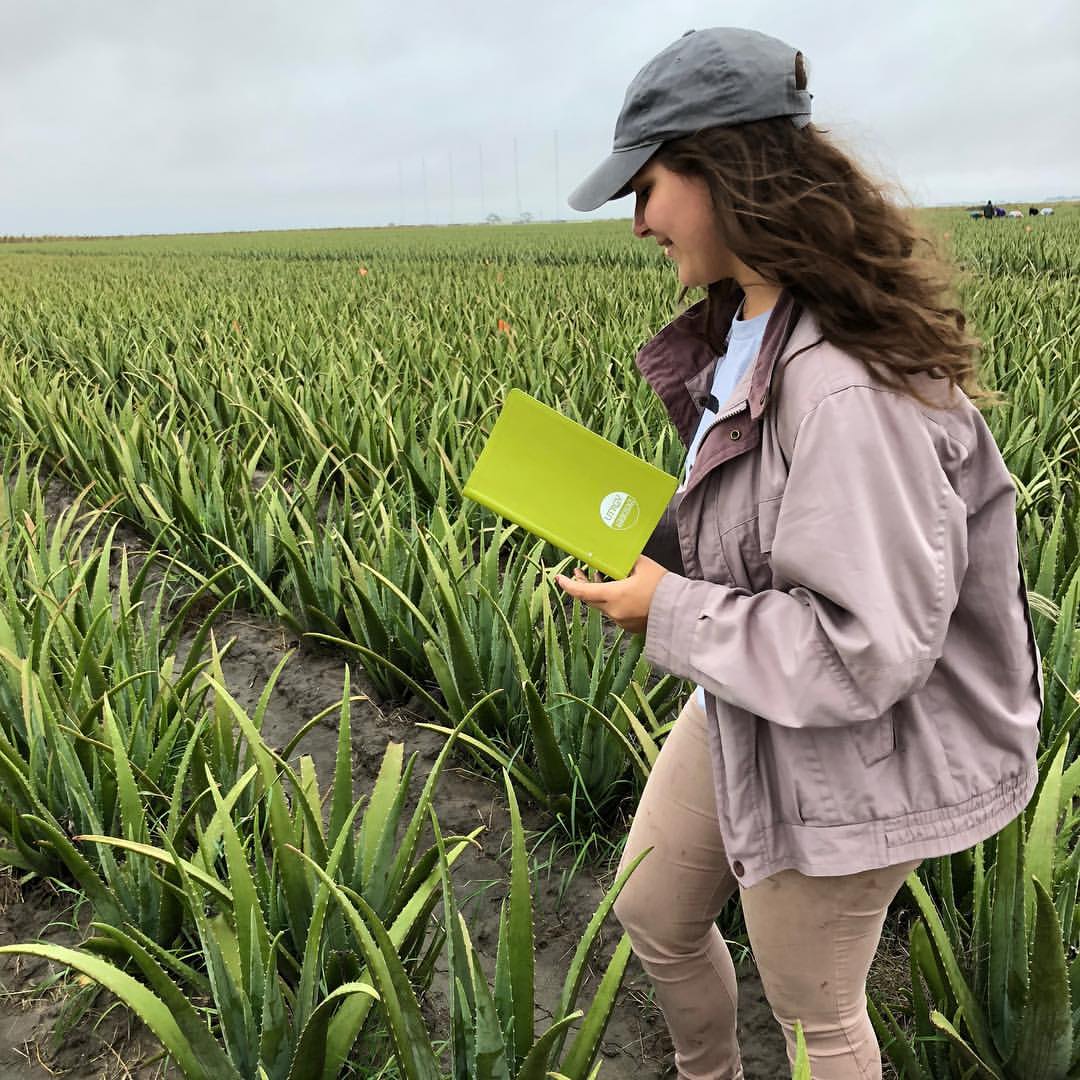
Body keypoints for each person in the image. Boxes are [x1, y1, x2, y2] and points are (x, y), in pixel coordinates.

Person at [555, 27, 1042, 1080]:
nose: (637, 222)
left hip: (857, 749)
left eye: (647, 187)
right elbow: (770, 530)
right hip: (750, 695)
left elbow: (868, 650)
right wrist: (653, 552)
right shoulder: (751, 324)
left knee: (813, 1010)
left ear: (722, 170)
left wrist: (667, 611)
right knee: (654, 910)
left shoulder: (847, 389)